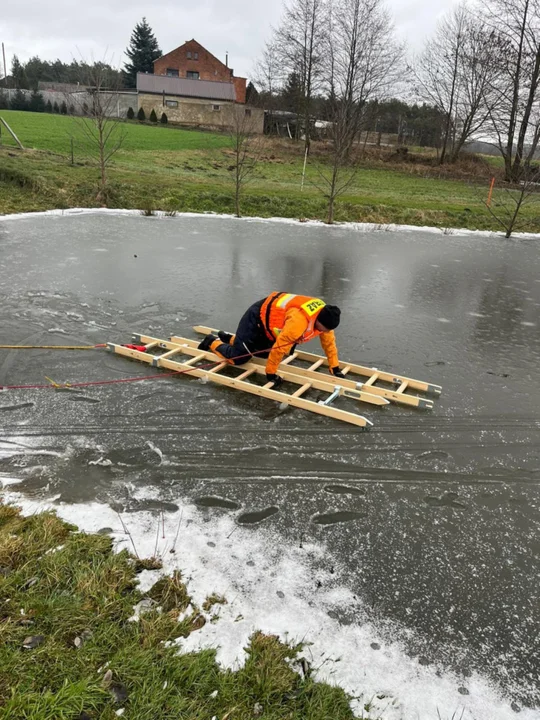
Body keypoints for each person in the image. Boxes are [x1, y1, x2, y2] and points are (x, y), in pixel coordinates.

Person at [198, 291, 346, 387]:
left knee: (264, 354)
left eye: (327, 330)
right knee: (238, 359)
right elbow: (280, 347)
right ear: (318, 320)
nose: (324, 332)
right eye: (323, 329)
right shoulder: (298, 323)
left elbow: (329, 344)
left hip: (269, 326)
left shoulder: (325, 321)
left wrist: (334, 367)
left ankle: (231, 339)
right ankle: (211, 341)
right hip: (256, 318)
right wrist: (271, 373)